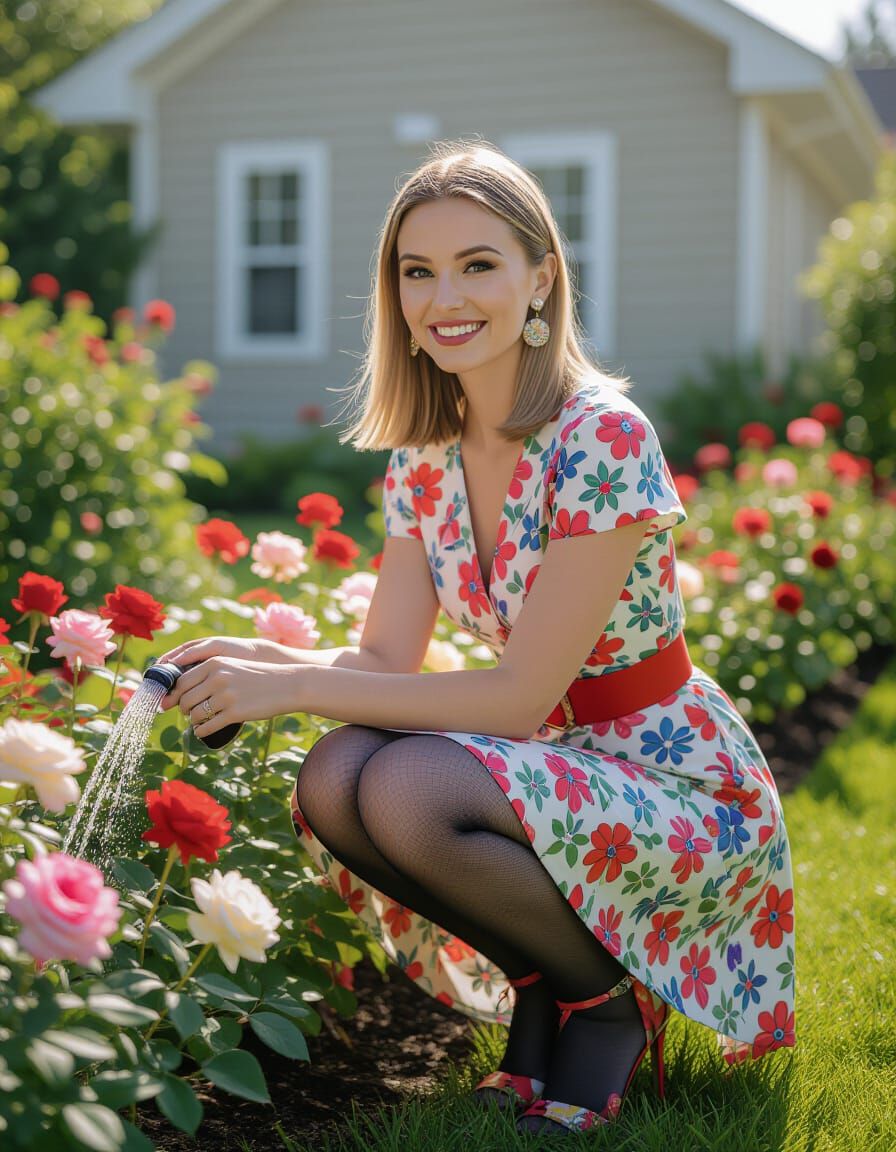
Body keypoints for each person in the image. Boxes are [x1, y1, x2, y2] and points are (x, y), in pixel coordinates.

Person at [157, 140, 796, 1137]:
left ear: (540, 274)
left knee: (406, 785)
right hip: (549, 765)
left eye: (476, 264)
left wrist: (284, 689)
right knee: (334, 778)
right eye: (416, 271)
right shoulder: (423, 459)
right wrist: (254, 656)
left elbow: (512, 698)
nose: (441, 296)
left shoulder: (602, 438)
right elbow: (380, 664)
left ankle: (604, 1003)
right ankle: (547, 985)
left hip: (669, 784)